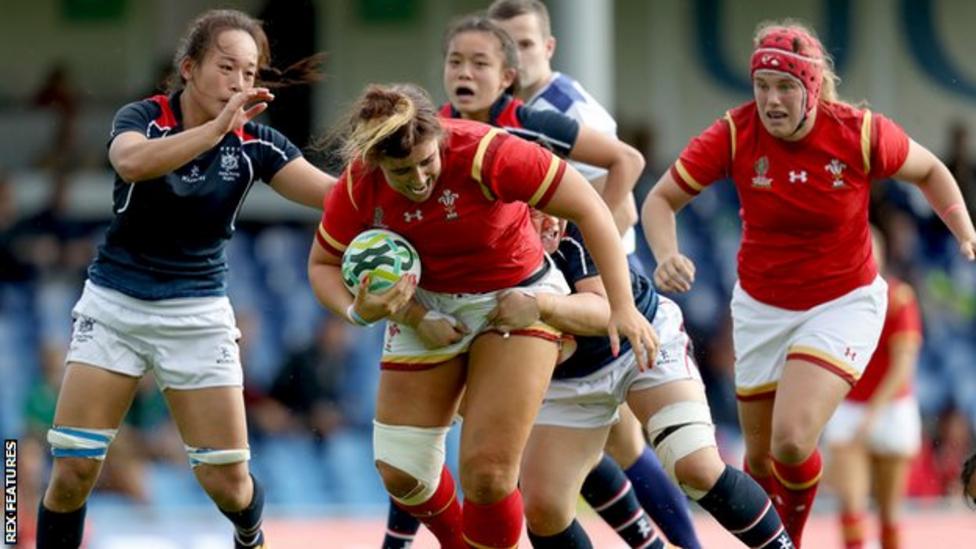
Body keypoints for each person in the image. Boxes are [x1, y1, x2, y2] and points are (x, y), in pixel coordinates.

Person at [641, 19, 976, 547]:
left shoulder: (860, 132)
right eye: (762, 86)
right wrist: (665, 254)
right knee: (758, 461)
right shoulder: (734, 132)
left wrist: (963, 228)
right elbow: (660, 199)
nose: (771, 100)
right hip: (760, 306)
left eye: (786, 88)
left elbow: (931, 171)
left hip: (844, 302)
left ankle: (785, 542)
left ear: (812, 88)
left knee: (792, 442)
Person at [308, 83, 656, 549]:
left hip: (515, 298)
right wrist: (369, 311)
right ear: (375, 163)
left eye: (426, 162)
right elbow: (322, 266)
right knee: (401, 472)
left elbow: (589, 208)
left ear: (440, 139)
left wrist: (623, 306)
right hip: (427, 306)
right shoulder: (357, 183)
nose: (416, 181)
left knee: (489, 475)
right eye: (400, 171)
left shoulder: (488, 152)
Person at [35, 9, 335, 549]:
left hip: (195, 315)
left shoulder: (255, 144)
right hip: (114, 307)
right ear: (190, 67)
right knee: (72, 474)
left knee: (228, 485)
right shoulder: (141, 119)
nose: (239, 83)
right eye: (227, 67)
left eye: (249, 73)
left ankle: (251, 533)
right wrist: (213, 132)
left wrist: (407, 187)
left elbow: (336, 198)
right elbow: (131, 164)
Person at [487, 3, 704, 546]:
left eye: (527, 46)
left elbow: (624, 184)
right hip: (558, 277)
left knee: (615, 442)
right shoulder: (509, 110)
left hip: (597, 283)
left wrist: (583, 243)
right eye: (505, 49)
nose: (517, 58)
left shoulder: (568, 111)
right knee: (606, 442)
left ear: (549, 47)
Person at [485, 211, 794, 548]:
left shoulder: (573, 208)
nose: (548, 223)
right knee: (545, 510)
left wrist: (541, 305)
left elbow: (606, 312)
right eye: (530, 212)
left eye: (544, 209)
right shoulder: (479, 241)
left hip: (640, 338)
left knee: (696, 467)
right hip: (568, 377)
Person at [823, 228, 923, 549]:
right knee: (851, 506)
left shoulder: (899, 299)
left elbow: (902, 366)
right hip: (850, 407)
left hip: (889, 409)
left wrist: (872, 414)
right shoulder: (834, 302)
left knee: (889, 512)